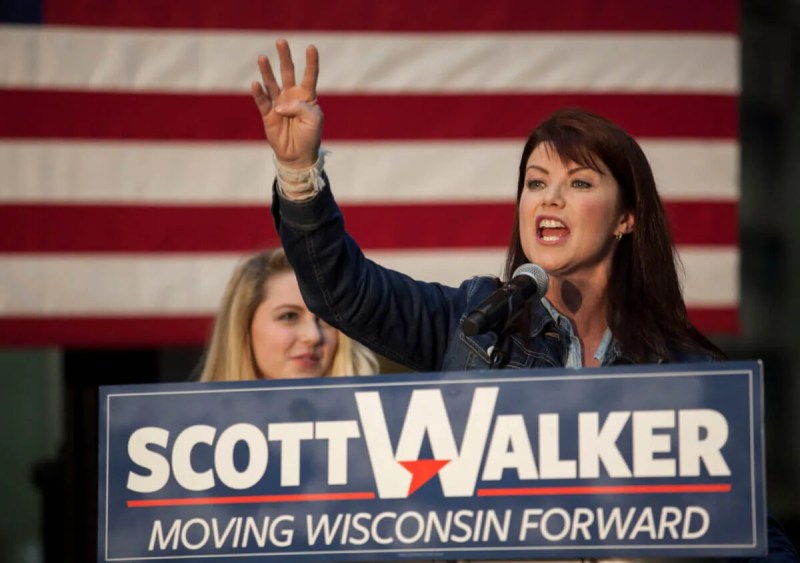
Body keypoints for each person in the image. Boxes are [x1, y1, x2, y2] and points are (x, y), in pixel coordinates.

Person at [251, 40, 799, 560]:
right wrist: (299, 172)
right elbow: (342, 291)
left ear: (627, 218)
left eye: (580, 183)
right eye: (535, 183)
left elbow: (748, 533)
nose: (550, 197)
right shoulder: (472, 321)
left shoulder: (686, 372)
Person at [199, 248, 378, 381]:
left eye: (326, 319)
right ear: (243, 325)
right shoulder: (190, 426)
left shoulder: (381, 426)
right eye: (289, 316)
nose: (313, 336)